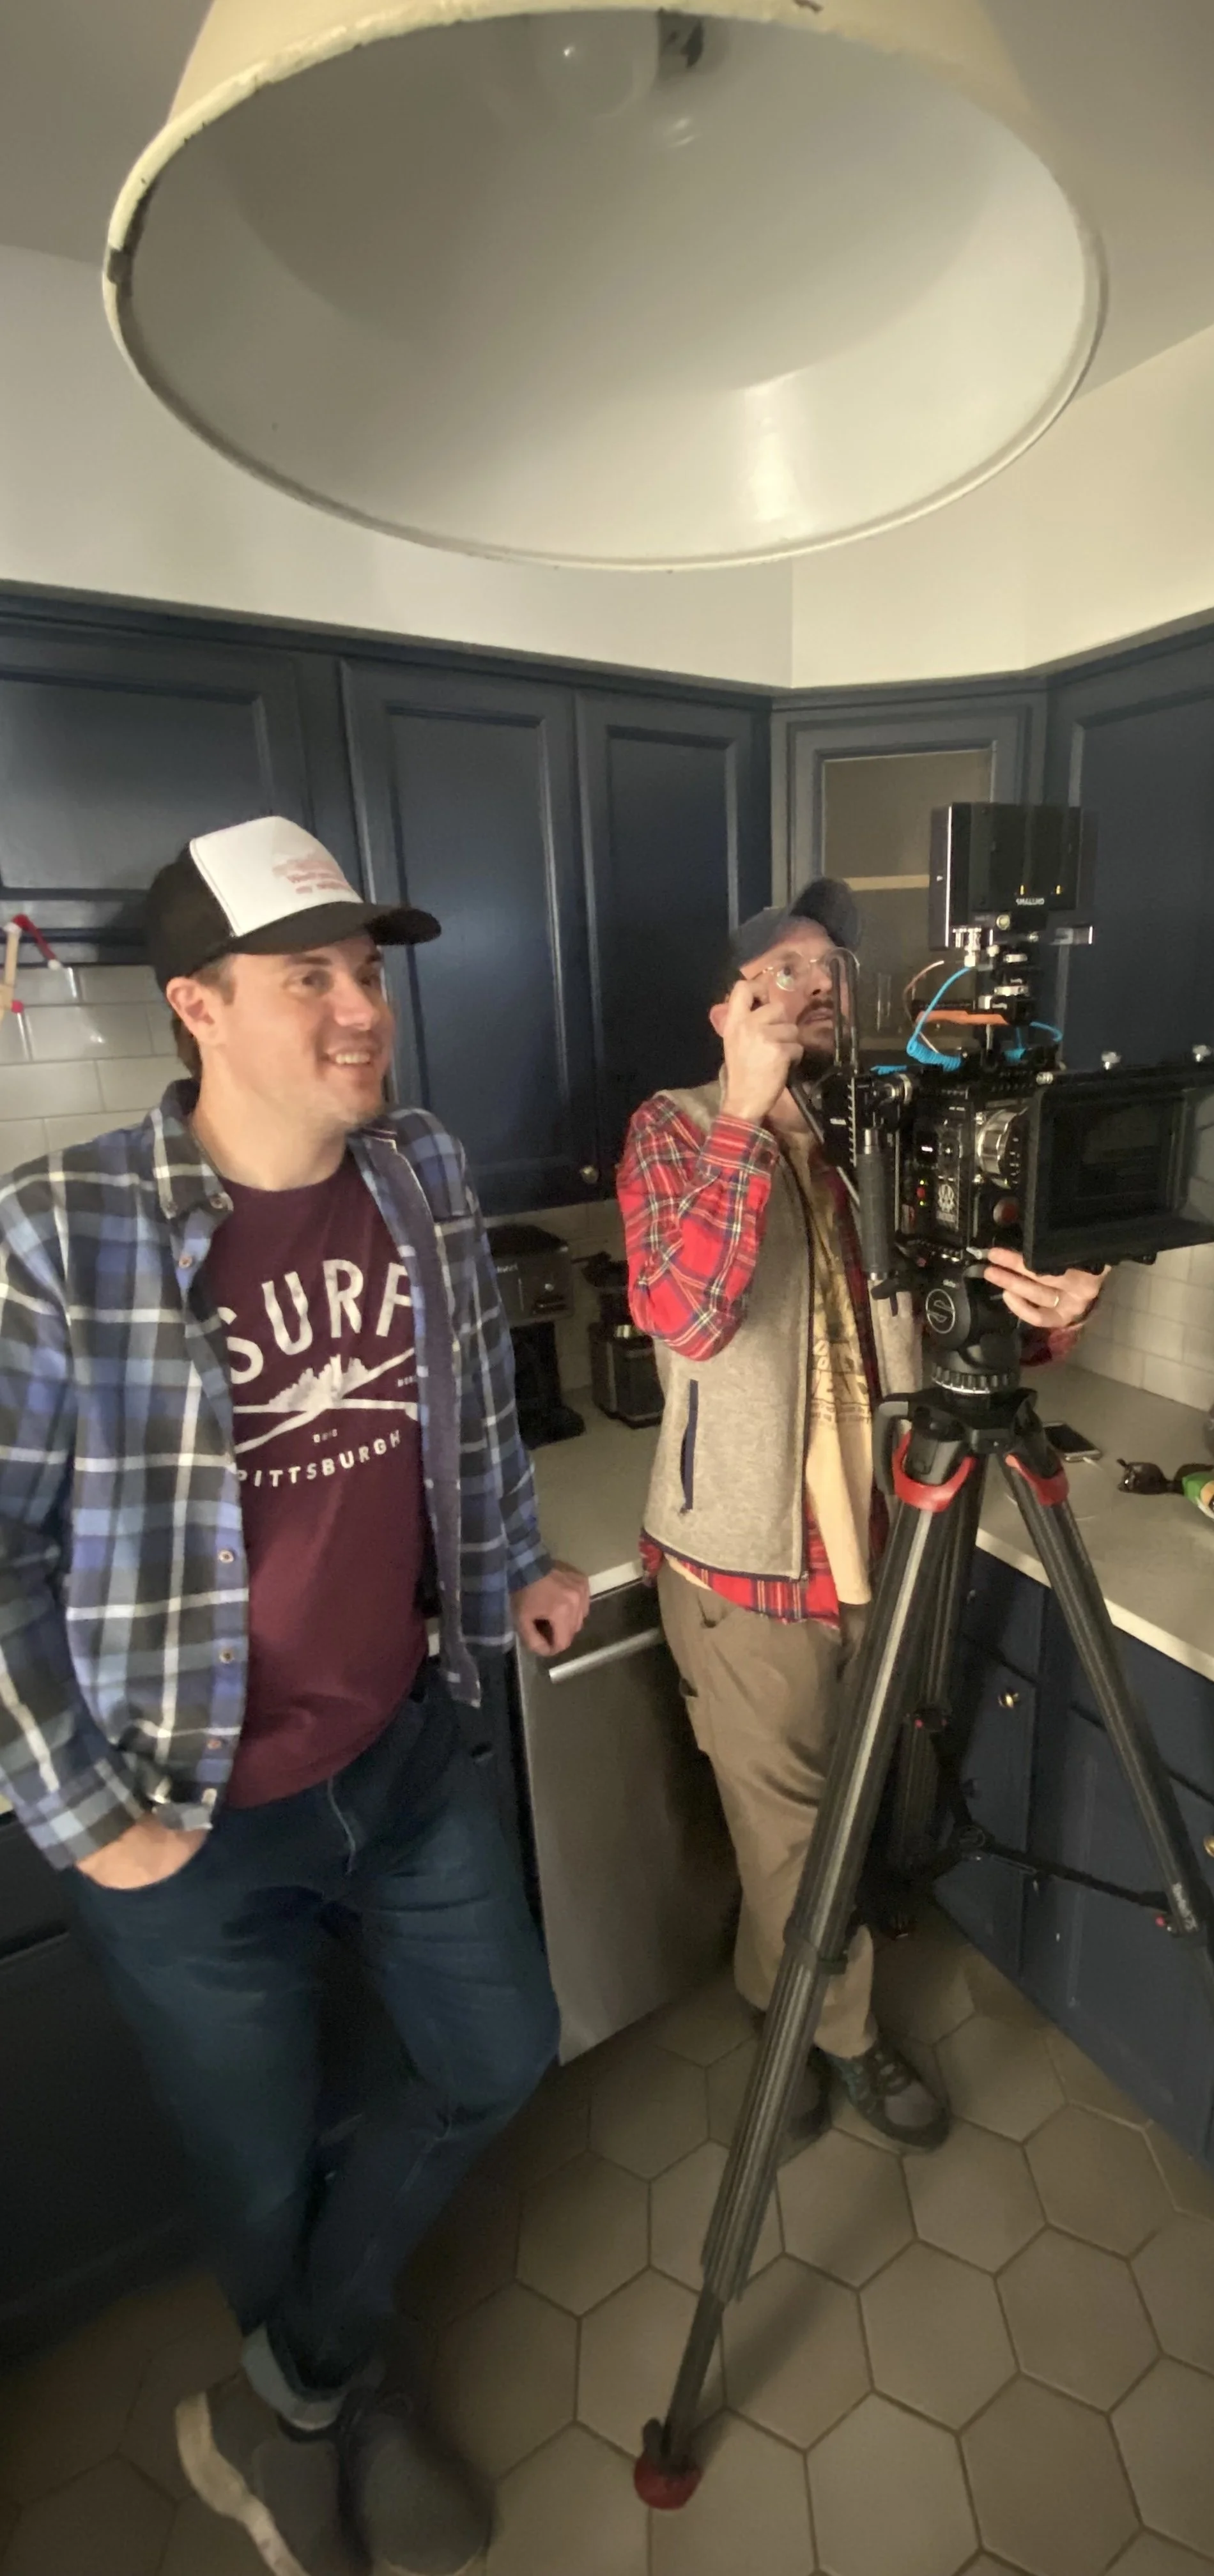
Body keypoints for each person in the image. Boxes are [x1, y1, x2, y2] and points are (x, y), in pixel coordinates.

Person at [0, 816, 589, 2576]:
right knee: (254, 2163)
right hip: (183, 1816)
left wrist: (510, 1568)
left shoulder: (420, 1168)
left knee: (499, 2054)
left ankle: (298, 2391)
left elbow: (468, 1415)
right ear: (197, 1005)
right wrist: (82, 1813)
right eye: (307, 976)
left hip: (406, 1749)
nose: (360, 1009)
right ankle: (338, 2393)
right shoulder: (58, 1232)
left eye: (366, 970)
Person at [617, 880, 1103, 2150]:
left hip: (887, 1548)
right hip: (744, 1573)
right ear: (726, 1011)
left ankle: (776, 2000)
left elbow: (954, 1324)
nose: (815, 986)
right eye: (781, 970)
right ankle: (835, 2041)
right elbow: (686, 1317)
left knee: (837, 1820)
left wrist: (1051, 1313)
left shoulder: (881, 1136)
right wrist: (743, 1114)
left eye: (830, 969)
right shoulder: (673, 1130)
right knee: (792, 1840)